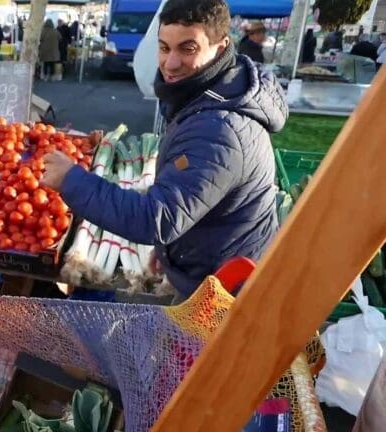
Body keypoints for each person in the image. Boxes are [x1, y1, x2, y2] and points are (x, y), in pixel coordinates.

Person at [41, 0, 286, 299]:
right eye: (164, 47)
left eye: (188, 48)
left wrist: (72, 180)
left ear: (220, 49)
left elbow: (156, 218)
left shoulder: (219, 128)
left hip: (227, 291)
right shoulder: (207, 96)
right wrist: (173, 248)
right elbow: (185, 200)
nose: (170, 63)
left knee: (191, 347)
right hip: (208, 268)